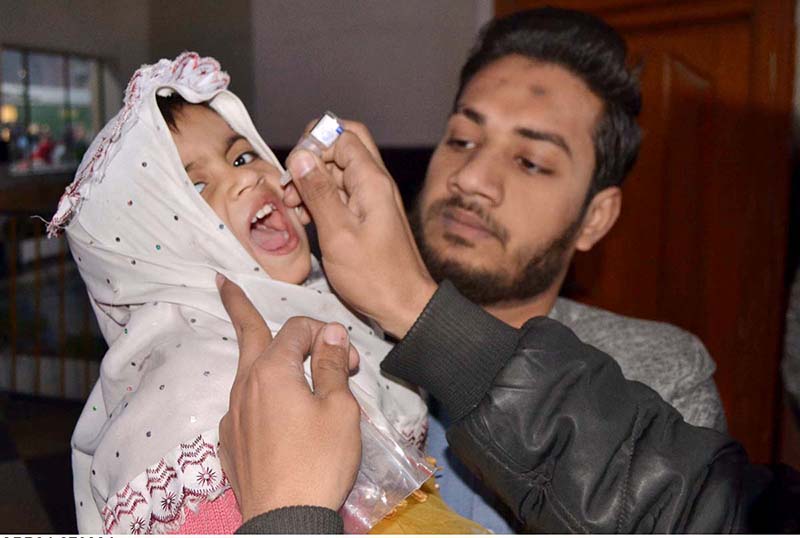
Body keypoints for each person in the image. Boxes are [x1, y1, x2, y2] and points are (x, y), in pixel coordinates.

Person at [280, 6, 725, 532]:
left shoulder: (658, 373)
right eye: (462, 141)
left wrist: (415, 307)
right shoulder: (318, 328)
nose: (472, 178)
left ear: (595, 218)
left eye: (530, 162)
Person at [51, 53, 431, 534]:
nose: (245, 176)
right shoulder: (188, 391)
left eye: (242, 156)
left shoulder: (337, 305)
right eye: (197, 187)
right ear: (156, 256)